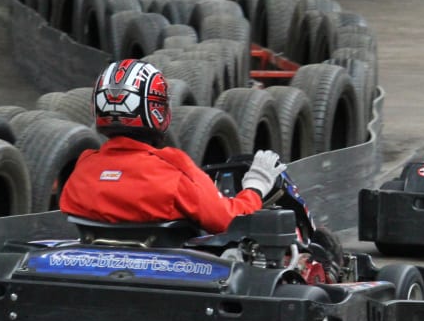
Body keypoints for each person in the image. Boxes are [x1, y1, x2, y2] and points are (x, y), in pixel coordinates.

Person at [60, 58, 284, 234]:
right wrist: (255, 189)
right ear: (157, 110)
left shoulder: (82, 170)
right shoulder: (173, 171)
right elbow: (228, 220)